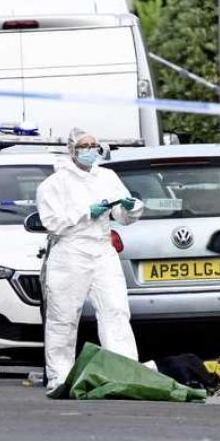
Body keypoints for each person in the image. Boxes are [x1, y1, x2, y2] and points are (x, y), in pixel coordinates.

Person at [36, 128, 145, 397]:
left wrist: (130, 208)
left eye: (94, 144)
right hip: (71, 250)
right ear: (72, 150)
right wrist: (86, 213)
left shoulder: (107, 177)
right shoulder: (54, 184)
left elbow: (121, 214)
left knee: (116, 311)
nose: (90, 149)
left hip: (102, 247)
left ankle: (124, 371)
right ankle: (60, 376)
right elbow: (52, 222)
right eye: (84, 145)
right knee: (63, 316)